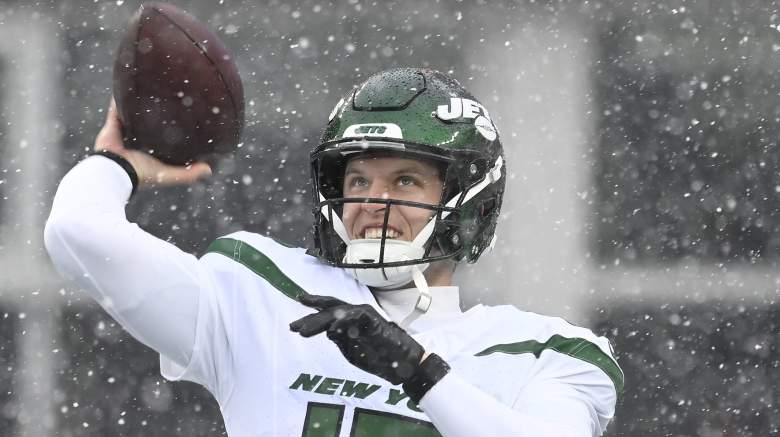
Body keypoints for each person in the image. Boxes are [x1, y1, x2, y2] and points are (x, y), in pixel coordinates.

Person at [44, 68, 622, 436]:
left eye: (404, 182)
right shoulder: (262, 291)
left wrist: (421, 374)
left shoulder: (546, 354)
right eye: (359, 180)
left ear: (468, 205)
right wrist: (116, 163)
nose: (373, 201)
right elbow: (78, 233)